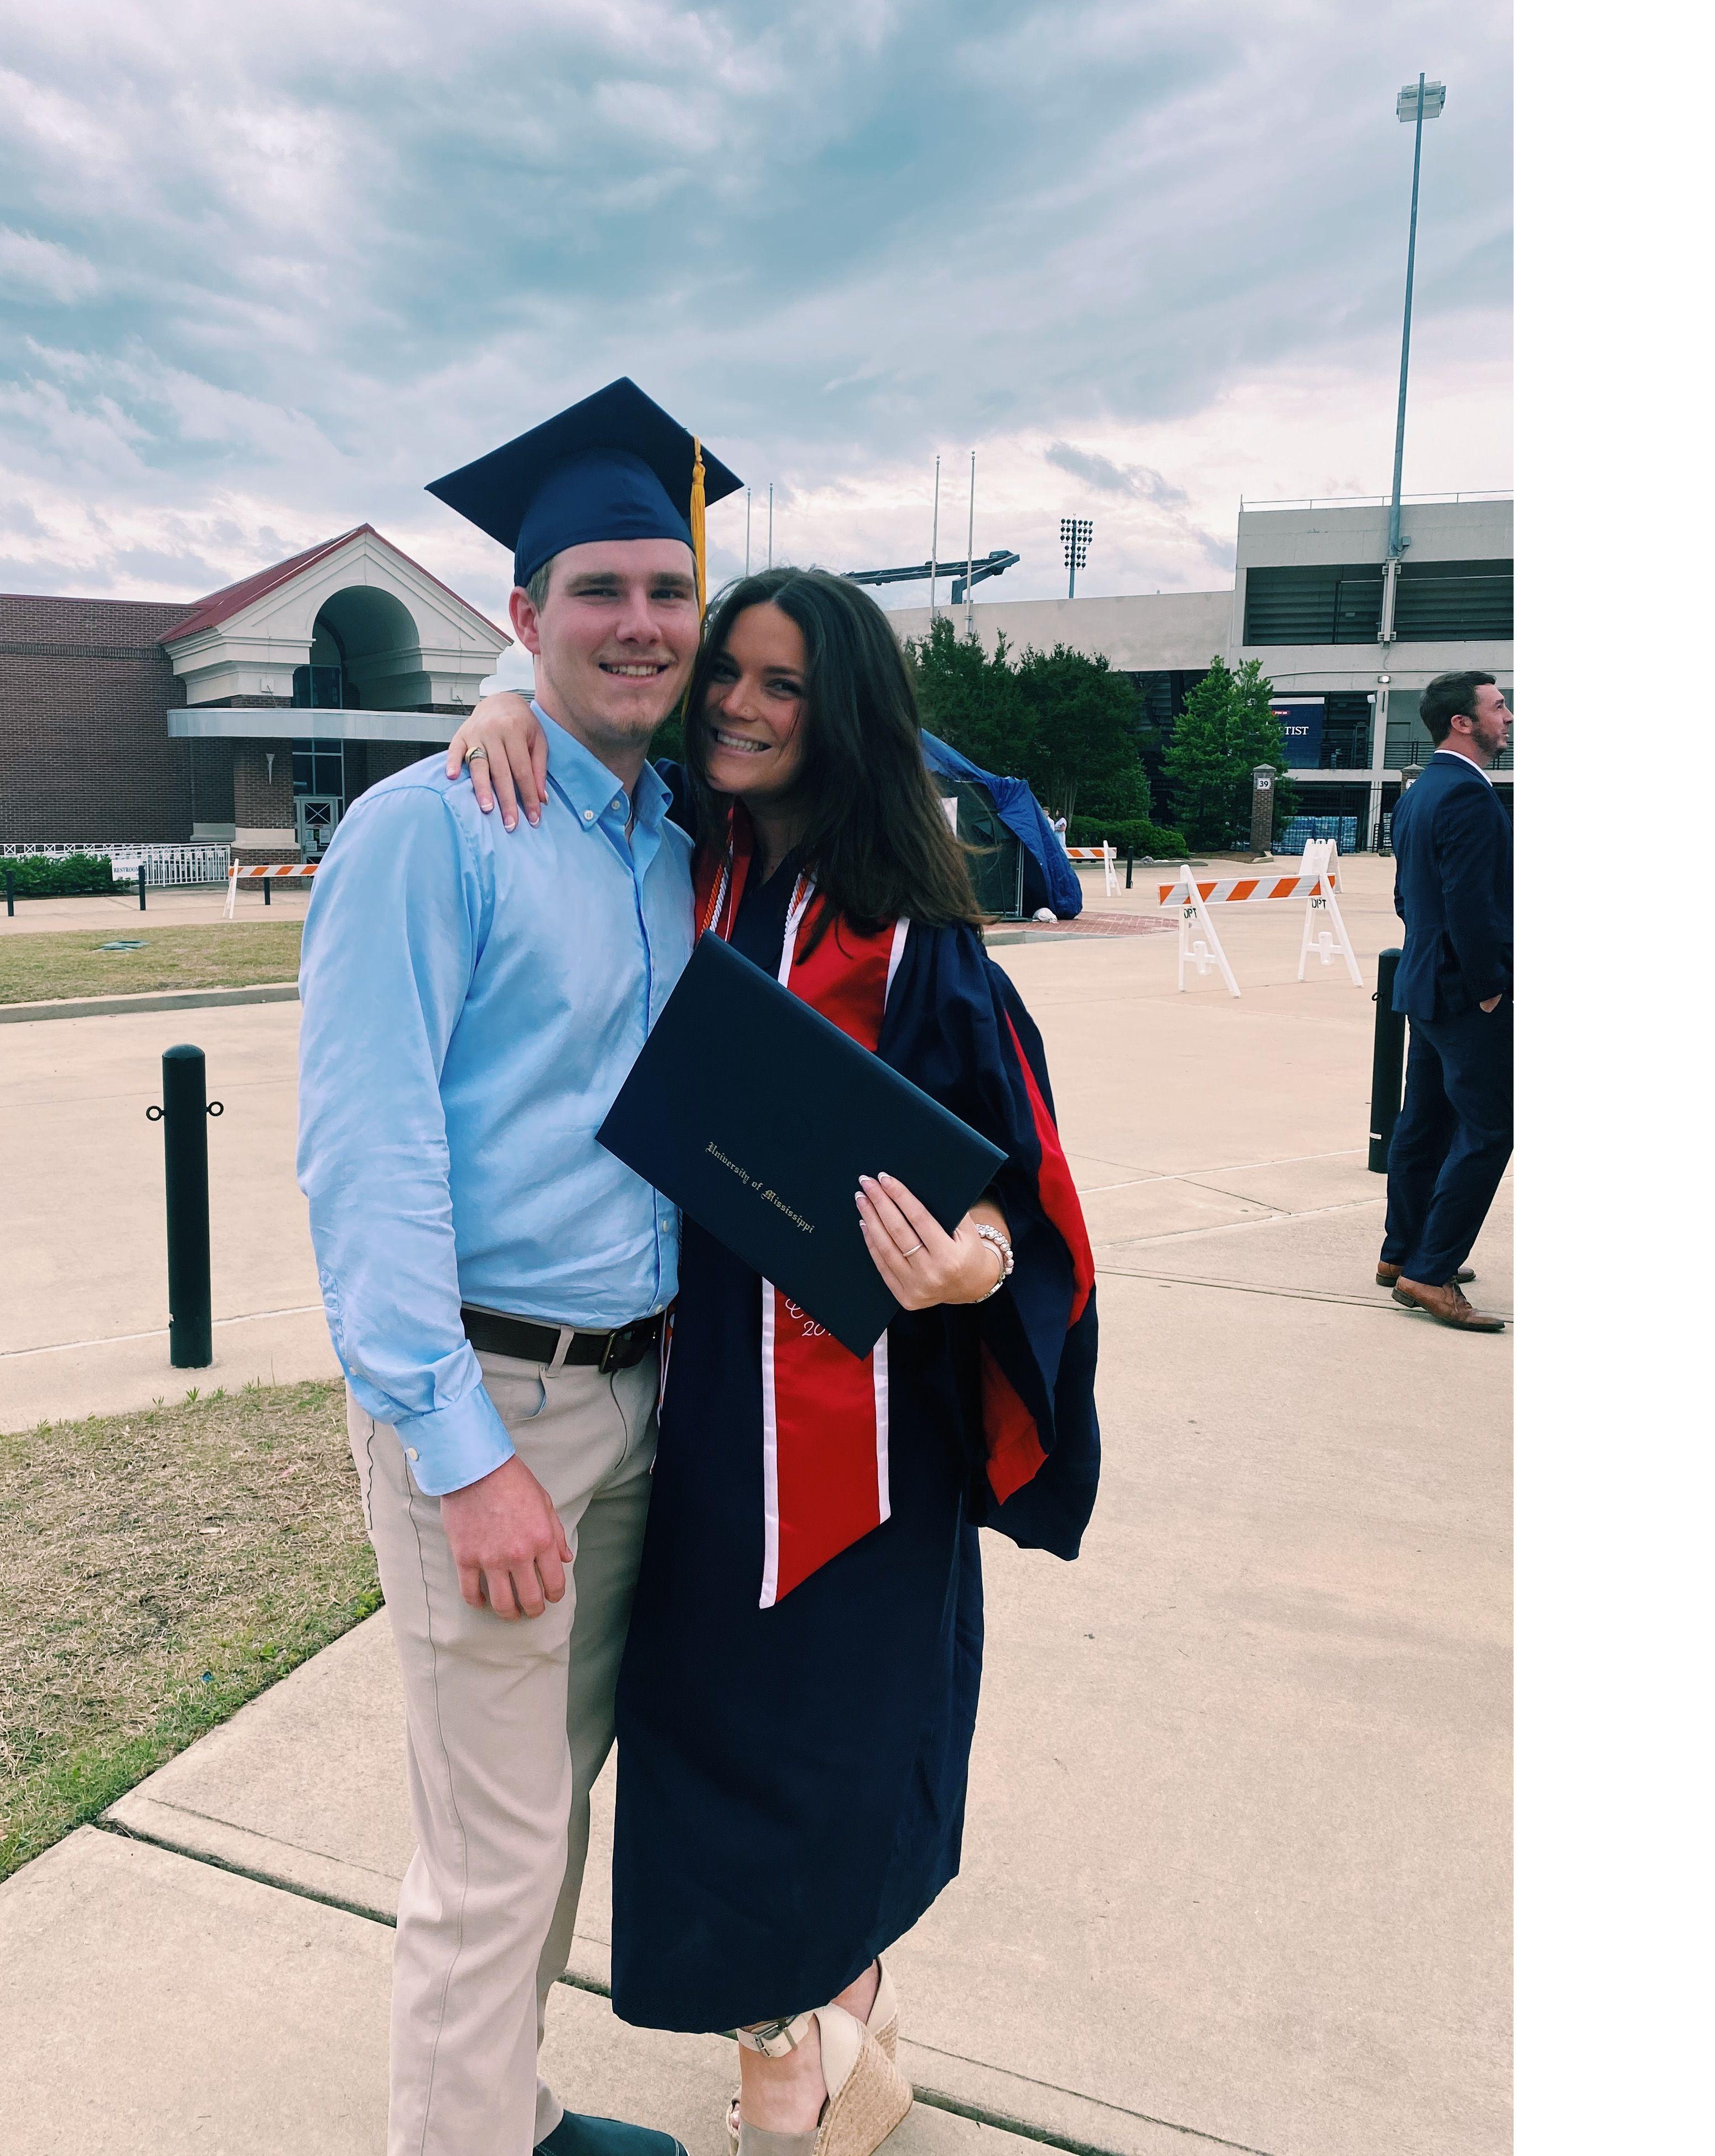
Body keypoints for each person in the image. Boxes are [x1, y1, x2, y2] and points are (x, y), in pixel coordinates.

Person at [447, 568, 1100, 2156]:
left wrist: (973, 1267)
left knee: (829, 1761)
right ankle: (828, 2022)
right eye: (726, 672)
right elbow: (576, 708)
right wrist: (492, 695)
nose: (734, 702)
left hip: (866, 1445)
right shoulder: (679, 863)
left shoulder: (921, 947)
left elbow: (1032, 1198)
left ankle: (794, 2073)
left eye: (780, 685)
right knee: (718, 1758)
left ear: (845, 713)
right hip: (699, 1426)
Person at [297, 376, 744, 2156]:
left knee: (545, 1810)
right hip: (496, 1404)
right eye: (596, 594)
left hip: (644, 1388)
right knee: (491, 1857)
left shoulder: (670, 839)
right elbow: (367, 1157)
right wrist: (463, 1458)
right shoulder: (430, 832)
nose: (640, 624)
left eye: (667, 592)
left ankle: (516, 2112)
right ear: (524, 614)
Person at [1378, 670, 1514, 1331]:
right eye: (1497, 706)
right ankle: (1429, 1274)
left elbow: (1408, 898)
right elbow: (1473, 905)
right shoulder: (1468, 797)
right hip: (1466, 995)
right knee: (1489, 1132)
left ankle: (1400, 1252)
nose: (1508, 716)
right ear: (1463, 722)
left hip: (1425, 984)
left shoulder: (1420, 793)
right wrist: (1490, 986)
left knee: (1423, 1123)